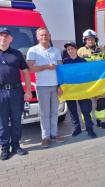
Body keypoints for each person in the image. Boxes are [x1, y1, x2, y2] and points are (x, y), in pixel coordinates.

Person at [27, 28, 65, 148]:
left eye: (46, 35)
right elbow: (30, 69)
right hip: (42, 86)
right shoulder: (33, 50)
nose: (44, 37)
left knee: (55, 111)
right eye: (41, 35)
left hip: (55, 85)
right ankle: (45, 137)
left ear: (50, 36)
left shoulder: (56, 51)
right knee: (44, 113)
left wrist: (60, 85)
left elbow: (60, 69)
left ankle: (54, 134)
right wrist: (46, 67)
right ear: (38, 37)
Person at [0, 27, 32, 160]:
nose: (3, 38)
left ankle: (16, 145)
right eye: (1, 35)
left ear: (11, 39)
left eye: (6, 36)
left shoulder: (17, 54)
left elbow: (25, 72)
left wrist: (29, 90)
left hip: (16, 91)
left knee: (16, 120)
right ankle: (4, 147)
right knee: (1, 122)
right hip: (0, 92)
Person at [59, 42, 96, 138]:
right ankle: (77, 128)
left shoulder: (83, 61)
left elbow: (88, 75)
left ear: (76, 49)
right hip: (69, 90)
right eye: (68, 50)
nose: (70, 51)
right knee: (72, 110)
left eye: (72, 49)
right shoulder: (64, 62)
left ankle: (89, 128)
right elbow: (61, 76)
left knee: (85, 110)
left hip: (82, 90)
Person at [77, 29, 105, 129]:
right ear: (85, 40)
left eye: (92, 39)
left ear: (95, 40)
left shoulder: (101, 50)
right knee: (87, 106)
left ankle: (101, 121)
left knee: (101, 103)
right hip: (87, 83)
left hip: (99, 82)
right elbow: (76, 65)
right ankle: (88, 122)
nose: (90, 41)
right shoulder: (80, 51)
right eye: (88, 39)